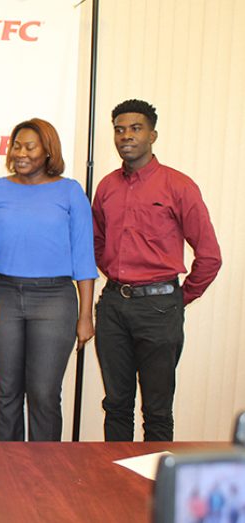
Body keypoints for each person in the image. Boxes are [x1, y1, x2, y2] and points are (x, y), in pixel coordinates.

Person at [93, 99, 222, 441]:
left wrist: (179, 297)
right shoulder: (107, 186)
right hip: (113, 307)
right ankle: (115, 486)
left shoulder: (178, 186)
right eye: (119, 130)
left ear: (153, 135)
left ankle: (151, 492)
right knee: (116, 404)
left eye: (135, 129)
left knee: (157, 410)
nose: (126, 136)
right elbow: (96, 241)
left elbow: (210, 255)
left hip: (159, 308)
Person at [0, 118, 97, 442]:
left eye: (30, 147)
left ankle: (46, 473)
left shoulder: (70, 191)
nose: (21, 153)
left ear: (48, 151)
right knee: (6, 390)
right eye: (16, 146)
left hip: (54, 299)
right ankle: (9, 469)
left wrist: (86, 316)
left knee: (44, 393)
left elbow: (84, 258)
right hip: (3, 295)